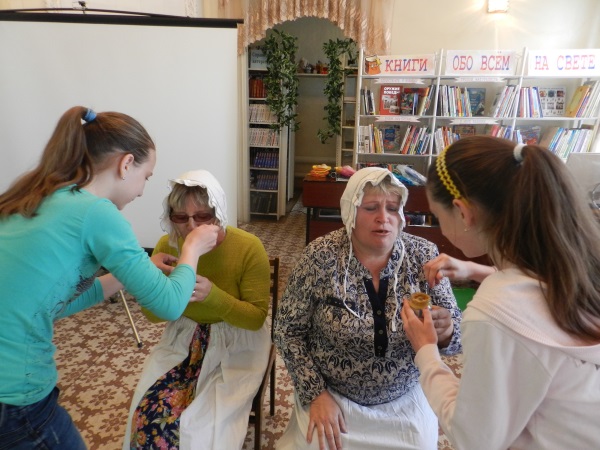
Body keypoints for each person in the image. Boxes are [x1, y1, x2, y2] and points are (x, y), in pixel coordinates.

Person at [0, 107, 219, 449]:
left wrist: (126, 275)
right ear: (126, 164)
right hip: (14, 392)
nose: (142, 191)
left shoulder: (40, 196)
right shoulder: (96, 212)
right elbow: (170, 304)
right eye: (146, 177)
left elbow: (56, 303)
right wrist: (192, 248)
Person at [401, 136, 600, 449]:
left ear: (463, 213)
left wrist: (425, 351)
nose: (440, 228)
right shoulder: (577, 265)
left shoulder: (492, 314)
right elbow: (538, 291)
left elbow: (474, 438)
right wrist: (477, 270)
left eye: (437, 217)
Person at [274, 167, 463, 450]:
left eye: (392, 208)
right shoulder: (320, 256)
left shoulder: (424, 255)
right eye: (371, 207)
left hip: (404, 398)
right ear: (350, 212)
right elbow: (287, 331)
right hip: (333, 396)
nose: (383, 218)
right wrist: (316, 394)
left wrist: (447, 332)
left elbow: (457, 336)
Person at [124, 170, 271, 450]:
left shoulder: (248, 247)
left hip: (237, 340)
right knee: (147, 414)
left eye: (202, 216)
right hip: (184, 337)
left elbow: (255, 319)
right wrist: (149, 284)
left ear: (219, 213)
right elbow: (154, 316)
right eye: (181, 217)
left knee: (205, 427)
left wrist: (213, 296)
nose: (192, 226)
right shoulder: (167, 246)